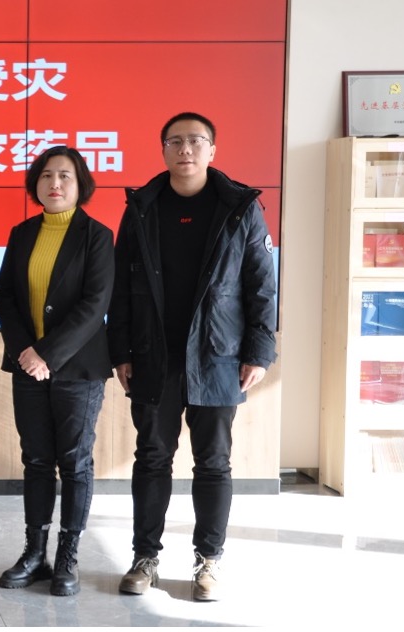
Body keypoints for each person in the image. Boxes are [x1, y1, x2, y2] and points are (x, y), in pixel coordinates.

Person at [108, 112, 277, 602]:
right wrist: (120, 349)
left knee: (214, 462)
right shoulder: (142, 207)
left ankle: (209, 562)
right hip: (153, 353)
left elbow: (261, 285)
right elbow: (121, 286)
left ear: (212, 150)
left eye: (196, 141)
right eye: (175, 141)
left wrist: (259, 350)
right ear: (163, 149)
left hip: (218, 354)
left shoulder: (240, 207)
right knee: (152, 458)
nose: (186, 149)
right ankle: (145, 558)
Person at [0, 146, 114, 596]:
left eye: (65, 176)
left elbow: (94, 305)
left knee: (75, 462)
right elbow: (6, 297)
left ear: (81, 184)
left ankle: (68, 556)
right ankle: (34, 553)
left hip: (78, 369)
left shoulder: (97, 236)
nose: (55, 183)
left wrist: (46, 354)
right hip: (28, 367)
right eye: (46, 175)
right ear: (36, 184)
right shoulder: (22, 233)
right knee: (37, 460)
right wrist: (25, 351)